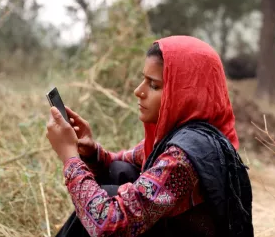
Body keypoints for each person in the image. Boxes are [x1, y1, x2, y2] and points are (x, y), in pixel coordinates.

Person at [46, 36, 253, 237]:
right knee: (120, 171)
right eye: (143, 80)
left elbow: (110, 224)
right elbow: (119, 161)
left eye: (153, 85)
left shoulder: (183, 158)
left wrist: (70, 158)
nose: (138, 91)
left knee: (107, 199)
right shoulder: (186, 135)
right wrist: (91, 152)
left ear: (185, 93)